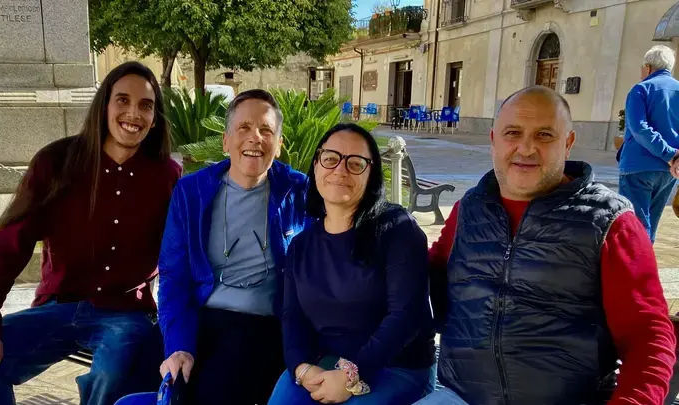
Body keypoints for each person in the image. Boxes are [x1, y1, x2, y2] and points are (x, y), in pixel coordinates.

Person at [416, 86, 676, 405]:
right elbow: (424, 281)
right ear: (494, 140)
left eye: (544, 135)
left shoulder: (610, 223)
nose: (526, 148)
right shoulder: (469, 208)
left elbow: (648, 338)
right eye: (513, 133)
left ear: (568, 143)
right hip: (462, 396)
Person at [0, 61, 181, 405]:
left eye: (146, 105)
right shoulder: (56, 162)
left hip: (125, 313)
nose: (133, 113)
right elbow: (10, 246)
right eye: (122, 100)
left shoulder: (168, 177)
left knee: (113, 369)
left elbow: (180, 256)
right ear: (104, 105)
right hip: (57, 306)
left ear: (155, 118)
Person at [157, 89, 310, 405]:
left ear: (278, 145)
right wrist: (179, 347)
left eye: (266, 130)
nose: (255, 137)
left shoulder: (299, 191)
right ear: (226, 142)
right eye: (244, 128)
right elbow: (174, 278)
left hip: (271, 325)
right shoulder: (192, 192)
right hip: (206, 320)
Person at [267, 123, 437, 405]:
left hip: (395, 366)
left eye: (355, 163)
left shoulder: (397, 229)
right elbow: (292, 318)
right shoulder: (301, 245)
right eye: (331, 159)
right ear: (317, 166)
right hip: (325, 364)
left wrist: (351, 375)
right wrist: (302, 367)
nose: (340, 170)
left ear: (371, 175)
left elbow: (405, 316)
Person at [618, 45, 679, 243]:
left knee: (634, 225)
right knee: (650, 224)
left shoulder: (641, 89)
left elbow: (639, 128)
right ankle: (645, 268)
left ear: (648, 66)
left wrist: (669, 153)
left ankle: (635, 271)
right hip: (668, 171)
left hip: (638, 166)